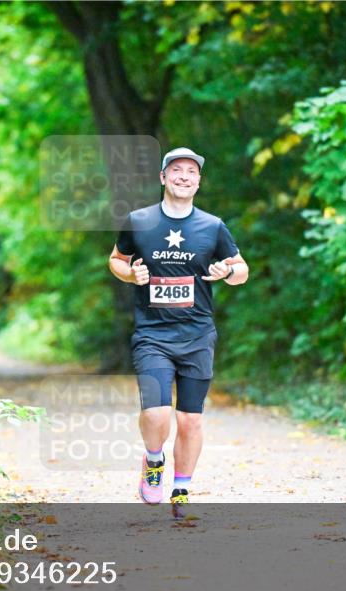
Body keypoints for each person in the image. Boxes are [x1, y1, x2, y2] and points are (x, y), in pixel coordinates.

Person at [108, 147, 249, 518]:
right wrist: (130, 274)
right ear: (163, 177)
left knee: (190, 419)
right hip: (152, 335)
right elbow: (116, 260)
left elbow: (242, 269)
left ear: (199, 181)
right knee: (156, 414)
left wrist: (227, 272)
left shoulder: (212, 227)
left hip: (197, 335)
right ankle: (154, 460)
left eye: (191, 172)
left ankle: (181, 489)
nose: (183, 177)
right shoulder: (139, 221)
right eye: (176, 170)